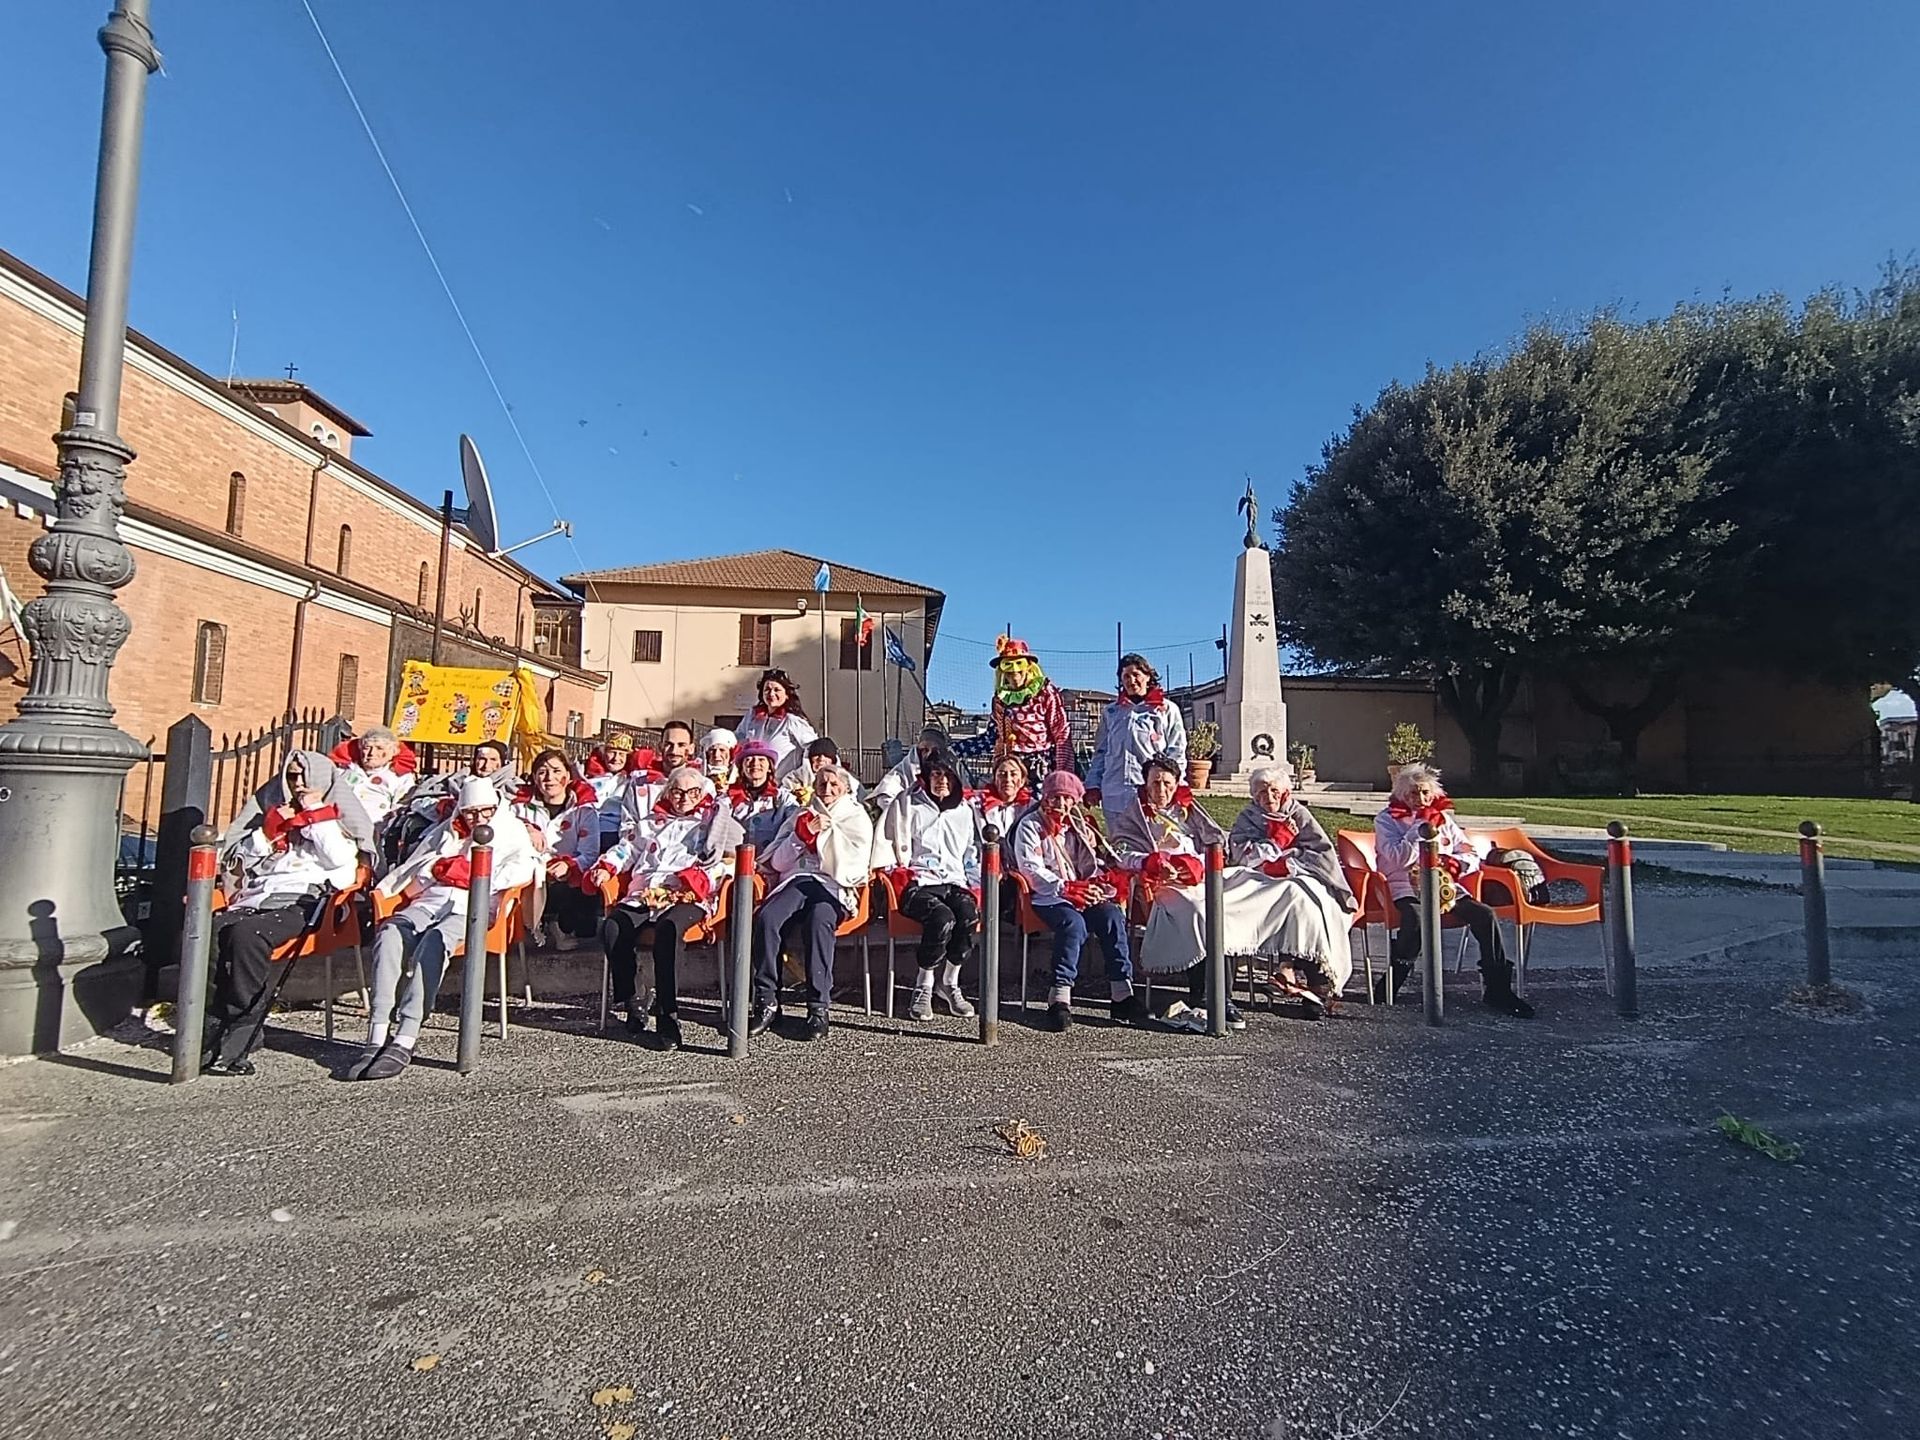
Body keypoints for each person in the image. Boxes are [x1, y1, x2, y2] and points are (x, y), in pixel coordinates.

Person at [349, 776, 538, 1080]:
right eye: (471, 812)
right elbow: (418, 868)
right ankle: (377, 1030)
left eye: (485, 811)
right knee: (389, 935)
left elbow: (524, 867)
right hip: (430, 901)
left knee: (434, 944)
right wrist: (437, 869)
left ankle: (406, 1035)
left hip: (471, 909)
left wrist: (475, 874)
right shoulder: (447, 831)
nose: (478, 818)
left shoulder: (510, 829)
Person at [202, 750, 372, 1074]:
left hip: (306, 901)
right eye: (292, 776)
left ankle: (244, 1026)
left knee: (247, 937)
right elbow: (240, 860)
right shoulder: (276, 808)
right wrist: (267, 832)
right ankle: (210, 1025)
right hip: (258, 895)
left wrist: (315, 814)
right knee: (207, 933)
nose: (297, 784)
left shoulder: (337, 817)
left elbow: (339, 859)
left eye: (303, 777)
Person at [588, 766, 743, 1050]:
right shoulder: (650, 823)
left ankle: (668, 1016)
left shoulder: (711, 823)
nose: (684, 798)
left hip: (686, 895)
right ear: (668, 792)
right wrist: (607, 867)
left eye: (692, 792)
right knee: (612, 927)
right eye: (678, 791)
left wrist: (695, 881)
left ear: (701, 794)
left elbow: (729, 858)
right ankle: (633, 998)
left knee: (668, 931)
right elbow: (626, 849)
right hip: (646, 892)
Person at [1372, 762, 1533, 1018]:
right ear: (1402, 794)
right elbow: (1395, 859)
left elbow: (1469, 852)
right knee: (1415, 919)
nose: (1421, 799)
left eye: (1425, 793)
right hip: (1406, 885)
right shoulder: (1386, 820)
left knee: (1485, 915)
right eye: (1414, 793)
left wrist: (1455, 863)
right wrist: (1419, 830)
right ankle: (1391, 983)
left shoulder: (1443, 819)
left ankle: (1498, 989)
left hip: (1446, 887)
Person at [1203, 762, 1362, 1019]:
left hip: (1301, 874)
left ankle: (1315, 983)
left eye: (1274, 791)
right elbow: (1242, 855)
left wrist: (1290, 861)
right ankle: (1271, 973)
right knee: (1240, 903)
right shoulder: (1248, 817)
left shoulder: (1298, 815)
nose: (1269, 798)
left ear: (1285, 792)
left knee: (1305, 901)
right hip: (1260, 879)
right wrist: (1275, 845)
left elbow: (1321, 853)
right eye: (1262, 793)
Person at [1110, 754, 1242, 1028]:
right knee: (1198, 912)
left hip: (1198, 878)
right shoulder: (1134, 814)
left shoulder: (1189, 809)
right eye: (1155, 782)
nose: (1161, 790)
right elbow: (1119, 850)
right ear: (1145, 784)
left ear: (1177, 784)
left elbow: (1216, 842)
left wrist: (1197, 863)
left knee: (1224, 911)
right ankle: (1204, 995)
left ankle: (1222, 995)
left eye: (1168, 783)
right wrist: (1150, 862)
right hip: (1161, 884)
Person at [1009, 770, 1147, 1032]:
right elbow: (1030, 868)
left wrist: (1097, 885)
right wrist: (1065, 887)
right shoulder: (1030, 826)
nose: (1061, 805)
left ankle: (1121, 992)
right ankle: (1059, 997)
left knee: (1112, 917)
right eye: (1056, 798)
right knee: (1073, 925)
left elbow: (1090, 865)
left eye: (1067, 799)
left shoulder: (1079, 826)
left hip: (1080, 892)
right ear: (1046, 798)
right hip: (1047, 896)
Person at [751, 763, 872, 1041]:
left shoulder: (856, 816)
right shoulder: (800, 815)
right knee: (768, 918)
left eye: (833, 785)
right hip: (798, 879)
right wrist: (802, 837)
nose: (827, 790)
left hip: (832, 885)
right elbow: (778, 861)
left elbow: (855, 864)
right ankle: (767, 1000)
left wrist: (824, 836)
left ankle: (818, 1008)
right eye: (821, 785)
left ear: (844, 788)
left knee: (819, 922)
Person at [874, 746, 979, 1021]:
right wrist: (893, 871)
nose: (941, 781)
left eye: (947, 775)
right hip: (918, 882)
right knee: (942, 919)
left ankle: (950, 982)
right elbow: (888, 840)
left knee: (968, 917)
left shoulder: (964, 811)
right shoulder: (908, 804)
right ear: (926, 777)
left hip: (954, 880)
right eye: (935, 774)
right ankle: (924, 984)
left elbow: (970, 851)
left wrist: (975, 879)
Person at [512, 747, 603, 951]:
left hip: (565, 876)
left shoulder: (584, 810)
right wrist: (525, 828)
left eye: (556, 771)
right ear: (534, 778)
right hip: (532, 872)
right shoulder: (519, 808)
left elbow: (589, 853)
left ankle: (559, 926)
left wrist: (568, 865)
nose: (549, 778)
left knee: (575, 890)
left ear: (568, 776)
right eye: (542, 772)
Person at [1085, 655, 1187, 830]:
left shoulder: (1166, 710)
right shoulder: (1111, 712)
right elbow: (1101, 753)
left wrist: (1175, 786)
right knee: (1120, 847)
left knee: (1153, 846)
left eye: (1136, 674)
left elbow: (1176, 752)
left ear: (1147, 676)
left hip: (1151, 793)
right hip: (1114, 793)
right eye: (1125, 676)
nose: (1131, 681)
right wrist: (1093, 784)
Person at [954, 636, 1074, 781]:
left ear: (1029, 667)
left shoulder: (1045, 692)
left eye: (1019, 666)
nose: (1015, 673)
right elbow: (991, 737)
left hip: (1039, 768)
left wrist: (1063, 775)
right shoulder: (1000, 699)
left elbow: (1061, 732)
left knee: (1038, 803)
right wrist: (955, 749)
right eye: (1009, 668)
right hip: (1008, 768)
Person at [333, 725, 418, 836]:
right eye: (367, 748)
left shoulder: (401, 778)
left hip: (377, 832)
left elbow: (401, 809)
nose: (371, 753)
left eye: (379, 748)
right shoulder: (343, 772)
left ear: (392, 752)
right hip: (338, 829)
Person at [735, 669, 818, 780]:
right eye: (767, 690)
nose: (771, 694)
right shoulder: (752, 716)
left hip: (782, 783)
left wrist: (804, 775)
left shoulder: (792, 721)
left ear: (787, 694)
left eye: (777, 690)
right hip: (754, 781)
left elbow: (813, 747)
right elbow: (738, 738)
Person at [586, 731, 656, 853]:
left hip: (615, 835)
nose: (616, 758)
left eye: (621, 754)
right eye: (612, 752)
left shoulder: (632, 780)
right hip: (586, 832)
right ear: (603, 753)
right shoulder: (589, 777)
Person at [728, 739, 795, 851]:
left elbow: (796, 818)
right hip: (736, 862)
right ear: (742, 768)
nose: (755, 763)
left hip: (771, 863)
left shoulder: (782, 798)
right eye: (749, 759)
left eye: (761, 759)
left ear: (769, 767)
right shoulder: (729, 798)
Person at [873, 726, 947, 805]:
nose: (929, 754)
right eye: (925, 749)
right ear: (918, 749)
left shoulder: (946, 772)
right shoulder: (900, 774)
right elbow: (884, 798)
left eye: (935, 751)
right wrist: (911, 814)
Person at [786, 735, 863, 804]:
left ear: (833, 760)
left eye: (826, 755)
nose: (821, 759)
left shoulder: (848, 780)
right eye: (816, 755)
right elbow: (783, 796)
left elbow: (855, 802)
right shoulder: (795, 777)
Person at [700, 726, 739, 791]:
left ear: (731, 754)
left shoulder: (740, 779)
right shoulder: (697, 777)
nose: (716, 755)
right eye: (712, 750)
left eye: (722, 750)